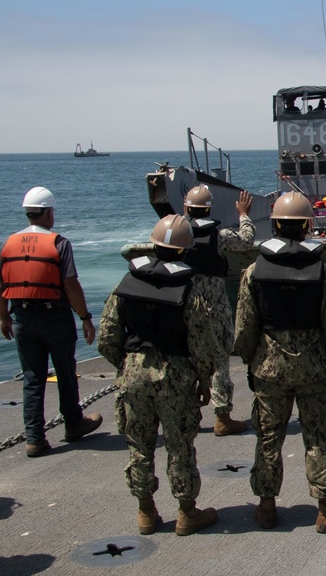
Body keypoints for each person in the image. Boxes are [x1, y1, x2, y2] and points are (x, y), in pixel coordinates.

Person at [232, 192, 326, 533]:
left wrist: (251, 360)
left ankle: (266, 508)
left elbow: (244, 328)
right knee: (319, 437)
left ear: (274, 225)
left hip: (268, 369)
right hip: (316, 368)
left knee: (268, 437)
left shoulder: (252, 273)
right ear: (307, 225)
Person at [97, 215, 220, 536]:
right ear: (184, 251)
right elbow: (202, 346)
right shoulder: (188, 291)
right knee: (180, 446)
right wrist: (203, 380)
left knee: (139, 446)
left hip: (133, 376)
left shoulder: (124, 286)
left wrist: (127, 367)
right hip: (175, 378)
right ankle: (186, 512)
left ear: (153, 245)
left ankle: (146, 512)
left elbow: (107, 337)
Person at [0, 186, 103, 458]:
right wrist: (86, 318)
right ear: (49, 213)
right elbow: (70, 283)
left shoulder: (9, 242)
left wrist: (4, 318)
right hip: (55, 317)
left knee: (32, 378)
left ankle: (34, 438)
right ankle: (74, 424)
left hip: (23, 318)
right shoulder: (59, 243)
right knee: (65, 371)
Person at [182, 185, 256, 437]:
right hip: (215, 306)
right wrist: (244, 214)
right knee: (220, 359)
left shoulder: (180, 232)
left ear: (186, 207)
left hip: (186, 306)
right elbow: (246, 241)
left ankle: (188, 416)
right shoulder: (220, 235)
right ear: (209, 208)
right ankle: (222, 417)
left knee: (188, 358)